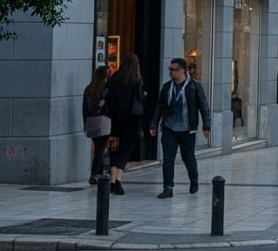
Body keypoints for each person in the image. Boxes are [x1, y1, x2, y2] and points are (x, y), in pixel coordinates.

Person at [149, 57, 211, 198]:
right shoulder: (167, 87)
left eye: (174, 70)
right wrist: (154, 124)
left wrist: (206, 125)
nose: (171, 72)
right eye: (169, 69)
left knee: (188, 157)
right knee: (168, 159)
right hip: (169, 127)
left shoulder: (194, 86)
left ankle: (194, 180)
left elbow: (203, 106)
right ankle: (168, 188)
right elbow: (159, 107)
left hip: (187, 129)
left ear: (183, 70)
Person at [104, 53, 146, 196]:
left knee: (114, 149)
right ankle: (118, 180)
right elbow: (140, 97)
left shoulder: (114, 78)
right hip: (131, 121)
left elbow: (106, 96)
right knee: (125, 151)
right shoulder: (136, 80)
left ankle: (112, 180)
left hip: (115, 120)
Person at [82, 66, 111, 185]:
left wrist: (85, 123)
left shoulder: (88, 89)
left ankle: (98, 173)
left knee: (98, 146)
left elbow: (84, 108)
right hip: (103, 121)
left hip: (91, 121)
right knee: (100, 148)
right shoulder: (106, 89)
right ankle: (95, 174)